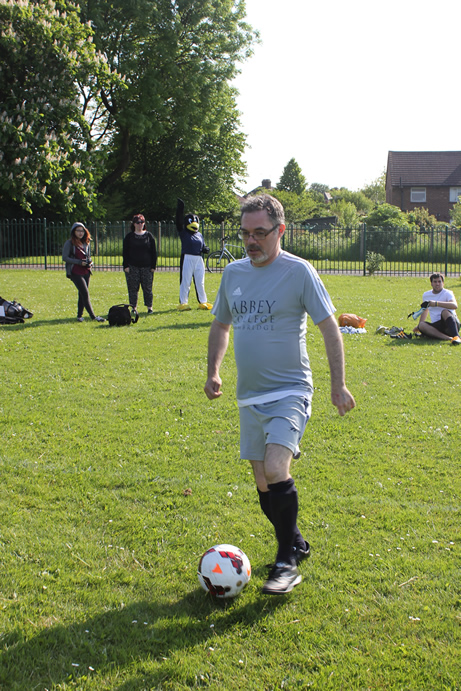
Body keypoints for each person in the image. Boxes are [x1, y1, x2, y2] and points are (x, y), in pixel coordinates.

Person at [204, 194, 355, 595]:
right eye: (245, 233)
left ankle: (285, 562)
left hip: (290, 390)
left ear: (280, 231)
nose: (251, 241)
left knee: (275, 467)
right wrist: (213, 371)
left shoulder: (299, 272)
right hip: (248, 396)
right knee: (264, 485)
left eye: (260, 233)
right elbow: (221, 326)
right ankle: (297, 542)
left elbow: (329, 328)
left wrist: (336, 384)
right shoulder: (234, 273)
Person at [62, 223, 105, 322]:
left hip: (86, 271)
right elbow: (65, 257)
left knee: (81, 294)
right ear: (74, 232)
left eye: (82, 230)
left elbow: (88, 256)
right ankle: (93, 317)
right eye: (78, 231)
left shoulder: (86, 242)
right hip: (75, 271)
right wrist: (78, 262)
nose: (80, 233)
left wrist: (90, 262)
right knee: (85, 293)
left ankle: (79, 316)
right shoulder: (69, 243)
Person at [175, 198, 212, 311]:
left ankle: (203, 301)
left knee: (200, 281)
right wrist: (180, 209)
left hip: (198, 259)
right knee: (186, 281)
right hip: (187, 257)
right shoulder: (184, 233)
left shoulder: (199, 235)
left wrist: (205, 249)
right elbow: (178, 221)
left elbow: (202, 246)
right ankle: (183, 302)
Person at [123, 214, 157, 314]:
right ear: (133, 224)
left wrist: (153, 266)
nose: (140, 224)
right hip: (133, 266)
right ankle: (133, 307)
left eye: (142, 222)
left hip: (147, 267)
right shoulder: (129, 237)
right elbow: (125, 252)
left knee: (147, 288)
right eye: (138, 222)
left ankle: (149, 307)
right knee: (133, 288)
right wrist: (126, 266)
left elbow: (153, 252)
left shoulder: (149, 236)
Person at [417, 273, 461, 344]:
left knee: (444, 312)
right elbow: (425, 310)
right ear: (431, 284)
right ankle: (448, 338)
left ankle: (456, 336)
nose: (437, 284)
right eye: (435, 282)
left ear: (443, 283)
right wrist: (419, 327)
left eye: (439, 281)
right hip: (437, 326)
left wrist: (436, 303)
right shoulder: (426, 295)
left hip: (451, 323)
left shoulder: (448, 293)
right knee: (421, 325)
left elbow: (454, 305)